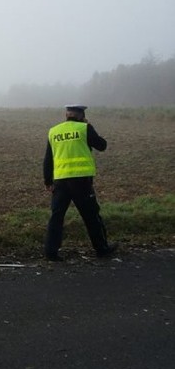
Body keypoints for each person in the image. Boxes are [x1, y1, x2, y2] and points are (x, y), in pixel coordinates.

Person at [42, 105, 117, 261]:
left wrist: (48, 180)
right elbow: (102, 145)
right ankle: (102, 249)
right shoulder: (84, 128)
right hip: (81, 181)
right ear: (81, 115)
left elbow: (48, 159)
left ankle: (50, 252)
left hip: (60, 181)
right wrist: (90, 128)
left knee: (56, 217)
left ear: (66, 115)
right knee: (91, 215)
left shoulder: (54, 131)